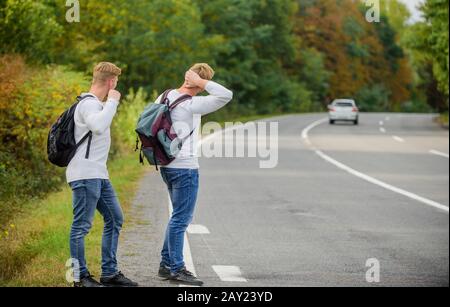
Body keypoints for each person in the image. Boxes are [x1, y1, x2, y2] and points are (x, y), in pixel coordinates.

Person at [156, 63, 233, 286]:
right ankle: (177, 268)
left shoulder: (165, 95)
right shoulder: (193, 104)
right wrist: (201, 83)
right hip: (185, 167)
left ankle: (165, 264)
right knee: (181, 219)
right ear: (200, 85)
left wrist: (194, 80)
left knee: (176, 218)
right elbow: (226, 95)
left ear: (185, 75)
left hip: (166, 165)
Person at [67, 62, 138, 287]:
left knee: (115, 218)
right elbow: (98, 126)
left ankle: (109, 273)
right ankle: (79, 277)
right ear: (111, 82)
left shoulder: (97, 104)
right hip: (85, 174)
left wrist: (108, 103)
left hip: (99, 174)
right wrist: (114, 100)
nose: (116, 85)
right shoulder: (88, 104)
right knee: (81, 227)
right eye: (115, 81)